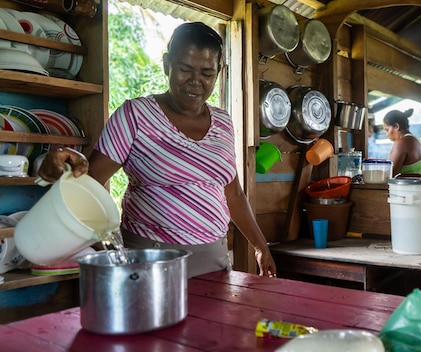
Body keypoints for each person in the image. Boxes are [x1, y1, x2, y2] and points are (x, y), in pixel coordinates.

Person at [37, 22, 277, 278]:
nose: (196, 81)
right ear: (166, 64)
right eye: (185, 69)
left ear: (218, 73)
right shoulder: (135, 116)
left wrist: (260, 247)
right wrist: (61, 168)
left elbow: (234, 193)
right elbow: (88, 183)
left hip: (214, 260)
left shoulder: (223, 122)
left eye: (207, 73)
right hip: (151, 259)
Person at [383, 108, 421, 178]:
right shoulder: (415, 140)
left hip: (418, 188)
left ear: (396, 126)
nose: (387, 134)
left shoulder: (402, 143)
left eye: (387, 130)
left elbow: (388, 174)